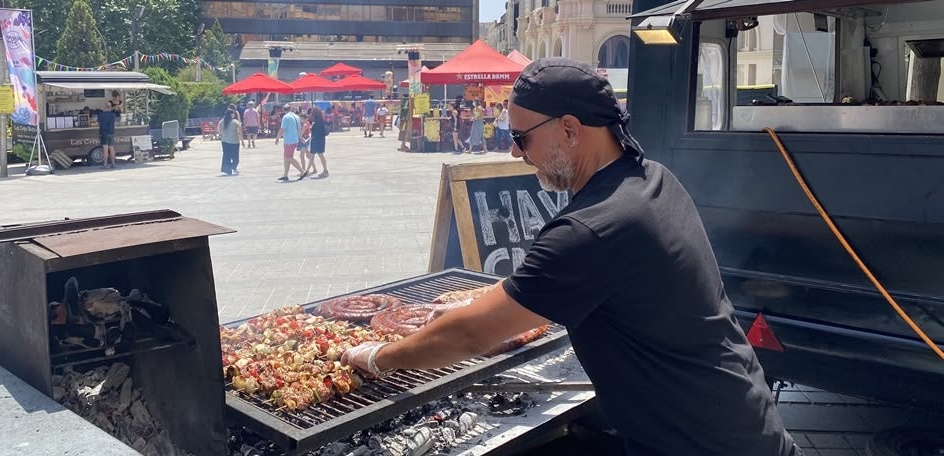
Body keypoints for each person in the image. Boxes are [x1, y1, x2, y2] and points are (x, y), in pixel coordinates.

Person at [342, 58, 800, 456]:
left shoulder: (592, 229)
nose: (514, 152)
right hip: (744, 422)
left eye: (521, 137)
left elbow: (470, 336)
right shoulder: (650, 179)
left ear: (569, 129)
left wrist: (381, 356)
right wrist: (467, 303)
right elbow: (538, 287)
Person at [274, 103, 308, 182]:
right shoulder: (296, 117)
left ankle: (302, 172)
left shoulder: (286, 117)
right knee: (286, 158)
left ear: (284, 110)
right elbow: (299, 129)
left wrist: (277, 137)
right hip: (294, 139)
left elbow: (283, 129)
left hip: (289, 140)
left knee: (289, 158)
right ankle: (285, 175)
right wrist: (300, 137)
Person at [218, 108, 243, 175]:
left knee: (226, 156)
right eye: (234, 114)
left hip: (224, 141)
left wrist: (224, 134)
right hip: (234, 141)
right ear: (231, 114)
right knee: (235, 158)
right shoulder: (235, 122)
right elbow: (239, 133)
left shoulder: (222, 121)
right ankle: (233, 167)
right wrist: (242, 141)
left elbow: (218, 130)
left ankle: (227, 170)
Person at [308, 107, 329, 178]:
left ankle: (307, 171)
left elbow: (312, 130)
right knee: (320, 155)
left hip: (315, 140)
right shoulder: (322, 121)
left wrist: (311, 127)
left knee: (312, 155)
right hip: (321, 139)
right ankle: (325, 170)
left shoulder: (315, 122)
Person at [96, 101, 118, 168]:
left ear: (104, 107)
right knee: (111, 148)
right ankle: (113, 164)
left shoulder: (101, 115)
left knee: (105, 149)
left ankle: (105, 164)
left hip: (104, 133)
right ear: (110, 107)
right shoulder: (113, 115)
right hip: (111, 133)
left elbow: (98, 124)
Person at [298, 110, 316, 175]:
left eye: (300, 118)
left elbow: (301, 133)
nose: (300, 119)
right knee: (308, 156)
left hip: (304, 139)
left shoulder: (305, 124)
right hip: (306, 139)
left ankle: (303, 170)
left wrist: (298, 133)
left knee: (302, 156)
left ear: (303, 118)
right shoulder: (307, 123)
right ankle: (314, 169)